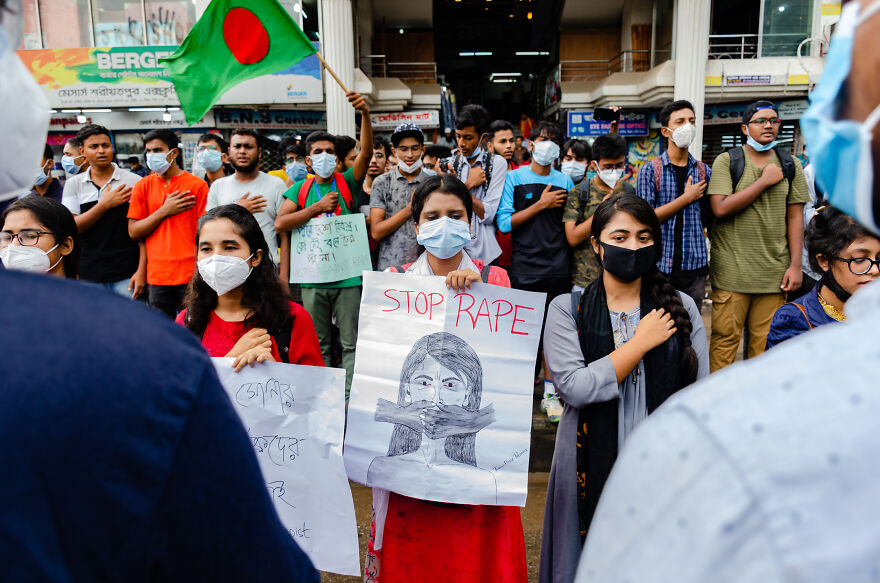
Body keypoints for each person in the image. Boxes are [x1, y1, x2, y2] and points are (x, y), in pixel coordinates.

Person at [573, 3, 880, 581]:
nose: (783, 126)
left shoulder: (711, 442)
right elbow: (576, 382)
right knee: (729, 345)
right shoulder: (697, 171)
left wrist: (793, 260)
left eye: (836, 88)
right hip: (719, 273)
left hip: (709, 280)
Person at [365, 173, 526, 583]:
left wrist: (483, 296)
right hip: (409, 476)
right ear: (417, 226)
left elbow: (514, 372)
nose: (445, 224)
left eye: (455, 215)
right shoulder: (395, 285)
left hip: (475, 465)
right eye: (433, 216)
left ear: (470, 225)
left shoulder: (497, 282)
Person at [540, 194, 708, 583]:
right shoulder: (568, 308)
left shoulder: (681, 306)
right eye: (620, 236)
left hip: (663, 455)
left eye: (644, 237)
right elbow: (575, 388)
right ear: (596, 244)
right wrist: (640, 342)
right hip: (586, 453)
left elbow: (699, 396)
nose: (633, 247)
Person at [275, 90, 374, 399]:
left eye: (330, 151)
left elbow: (367, 153)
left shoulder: (347, 181)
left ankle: (349, 396)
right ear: (308, 159)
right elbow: (281, 223)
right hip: (313, 279)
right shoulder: (300, 191)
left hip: (347, 278)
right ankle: (321, 394)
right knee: (318, 342)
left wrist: (366, 116)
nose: (325, 157)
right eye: (318, 152)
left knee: (350, 342)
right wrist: (316, 209)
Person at [706, 100, 810, 371]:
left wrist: (796, 266)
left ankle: (755, 408)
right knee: (724, 343)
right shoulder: (727, 161)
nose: (768, 125)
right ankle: (719, 405)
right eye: (761, 120)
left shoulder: (791, 164)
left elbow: (795, 216)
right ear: (744, 128)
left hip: (774, 275)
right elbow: (720, 207)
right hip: (732, 273)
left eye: (774, 121)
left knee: (765, 347)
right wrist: (763, 181)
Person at [176, 204, 323, 370]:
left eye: (229, 247)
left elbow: (318, 391)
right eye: (206, 249)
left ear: (256, 257)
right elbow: (179, 390)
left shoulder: (292, 319)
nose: (216, 257)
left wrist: (277, 374)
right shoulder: (188, 321)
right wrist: (230, 361)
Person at [496, 121, 575, 378]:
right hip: (525, 269)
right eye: (542, 139)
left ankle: (551, 391)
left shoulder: (566, 182)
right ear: (531, 144)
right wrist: (541, 205)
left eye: (553, 140)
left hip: (558, 268)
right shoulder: (513, 178)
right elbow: (505, 224)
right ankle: (525, 387)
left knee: (555, 333)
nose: (547, 144)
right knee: (525, 334)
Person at [767, 206, 880, 347]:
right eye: (859, 259)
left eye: (879, 258)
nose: (875, 269)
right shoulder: (794, 320)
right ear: (824, 261)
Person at [636, 100, 711, 310]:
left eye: (692, 121)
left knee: (691, 328)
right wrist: (686, 199)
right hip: (659, 267)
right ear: (666, 131)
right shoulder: (650, 170)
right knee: (658, 327)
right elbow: (645, 219)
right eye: (680, 121)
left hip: (694, 266)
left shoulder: (704, 171)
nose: (688, 126)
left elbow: (706, 217)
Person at [128, 128, 209, 318]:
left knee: (194, 328)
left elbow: (205, 233)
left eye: (157, 150)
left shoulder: (197, 185)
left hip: (191, 274)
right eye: (148, 151)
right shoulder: (142, 186)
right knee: (162, 332)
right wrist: (164, 210)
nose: (151, 155)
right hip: (157, 276)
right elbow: (134, 232)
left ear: (173, 153)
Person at [62, 124, 145, 298]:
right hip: (89, 272)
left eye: (106, 146)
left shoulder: (134, 181)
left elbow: (143, 232)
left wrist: (141, 271)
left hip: (127, 272)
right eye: (94, 147)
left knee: (130, 323)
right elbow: (72, 227)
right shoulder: (74, 184)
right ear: (82, 150)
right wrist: (104, 205)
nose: (101, 151)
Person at [206, 128, 287, 277]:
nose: (242, 151)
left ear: (260, 152)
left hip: (268, 269)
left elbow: (285, 234)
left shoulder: (276, 184)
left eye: (248, 146)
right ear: (229, 152)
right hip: (227, 269)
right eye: (237, 146)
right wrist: (237, 210)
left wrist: (283, 276)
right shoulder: (218, 186)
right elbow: (208, 228)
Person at [564, 134, 636, 293]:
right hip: (585, 281)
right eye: (608, 167)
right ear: (594, 165)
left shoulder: (629, 191)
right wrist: (602, 210)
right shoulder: (579, 192)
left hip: (622, 278)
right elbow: (573, 238)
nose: (614, 171)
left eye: (619, 165)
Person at [451, 104, 507, 264]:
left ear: (483, 138)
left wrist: (458, 189)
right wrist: (468, 184)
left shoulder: (496, 163)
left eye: (468, 138)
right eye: (458, 136)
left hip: (485, 252)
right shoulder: (450, 163)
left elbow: (488, 215)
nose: (461, 143)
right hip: (454, 252)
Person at [369, 123, 429, 271]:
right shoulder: (382, 182)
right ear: (394, 151)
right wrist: (409, 209)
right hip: (390, 267)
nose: (409, 155)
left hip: (425, 268)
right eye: (403, 149)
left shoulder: (431, 183)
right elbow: (376, 232)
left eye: (415, 148)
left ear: (423, 149)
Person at [1, 196, 79, 279]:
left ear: (65, 245)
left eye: (29, 236)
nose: (13, 245)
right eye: (7, 238)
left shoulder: (86, 292)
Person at [361, 136, 391, 214]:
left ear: (387, 161)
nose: (373, 161)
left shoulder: (394, 191)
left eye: (379, 155)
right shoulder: (354, 190)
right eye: (369, 155)